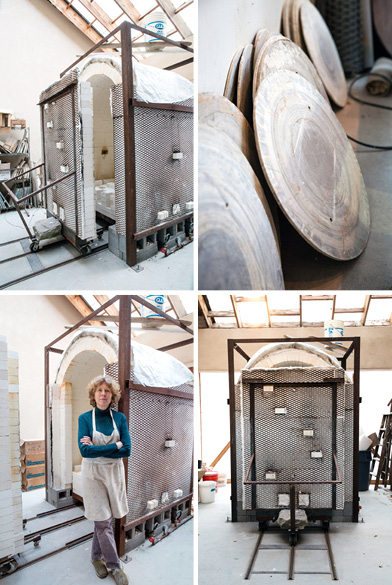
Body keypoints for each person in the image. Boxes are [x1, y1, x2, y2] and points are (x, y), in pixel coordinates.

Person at [78, 375, 131, 584]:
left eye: (107, 391)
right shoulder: (84, 418)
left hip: (114, 473)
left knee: (107, 519)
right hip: (93, 475)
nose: (103, 394)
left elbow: (127, 449)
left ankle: (95, 557)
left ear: (112, 395)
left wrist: (98, 448)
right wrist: (114, 446)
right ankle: (114, 565)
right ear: (94, 394)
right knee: (102, 521)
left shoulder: (119, 419)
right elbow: (85, 452)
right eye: (99, 390)